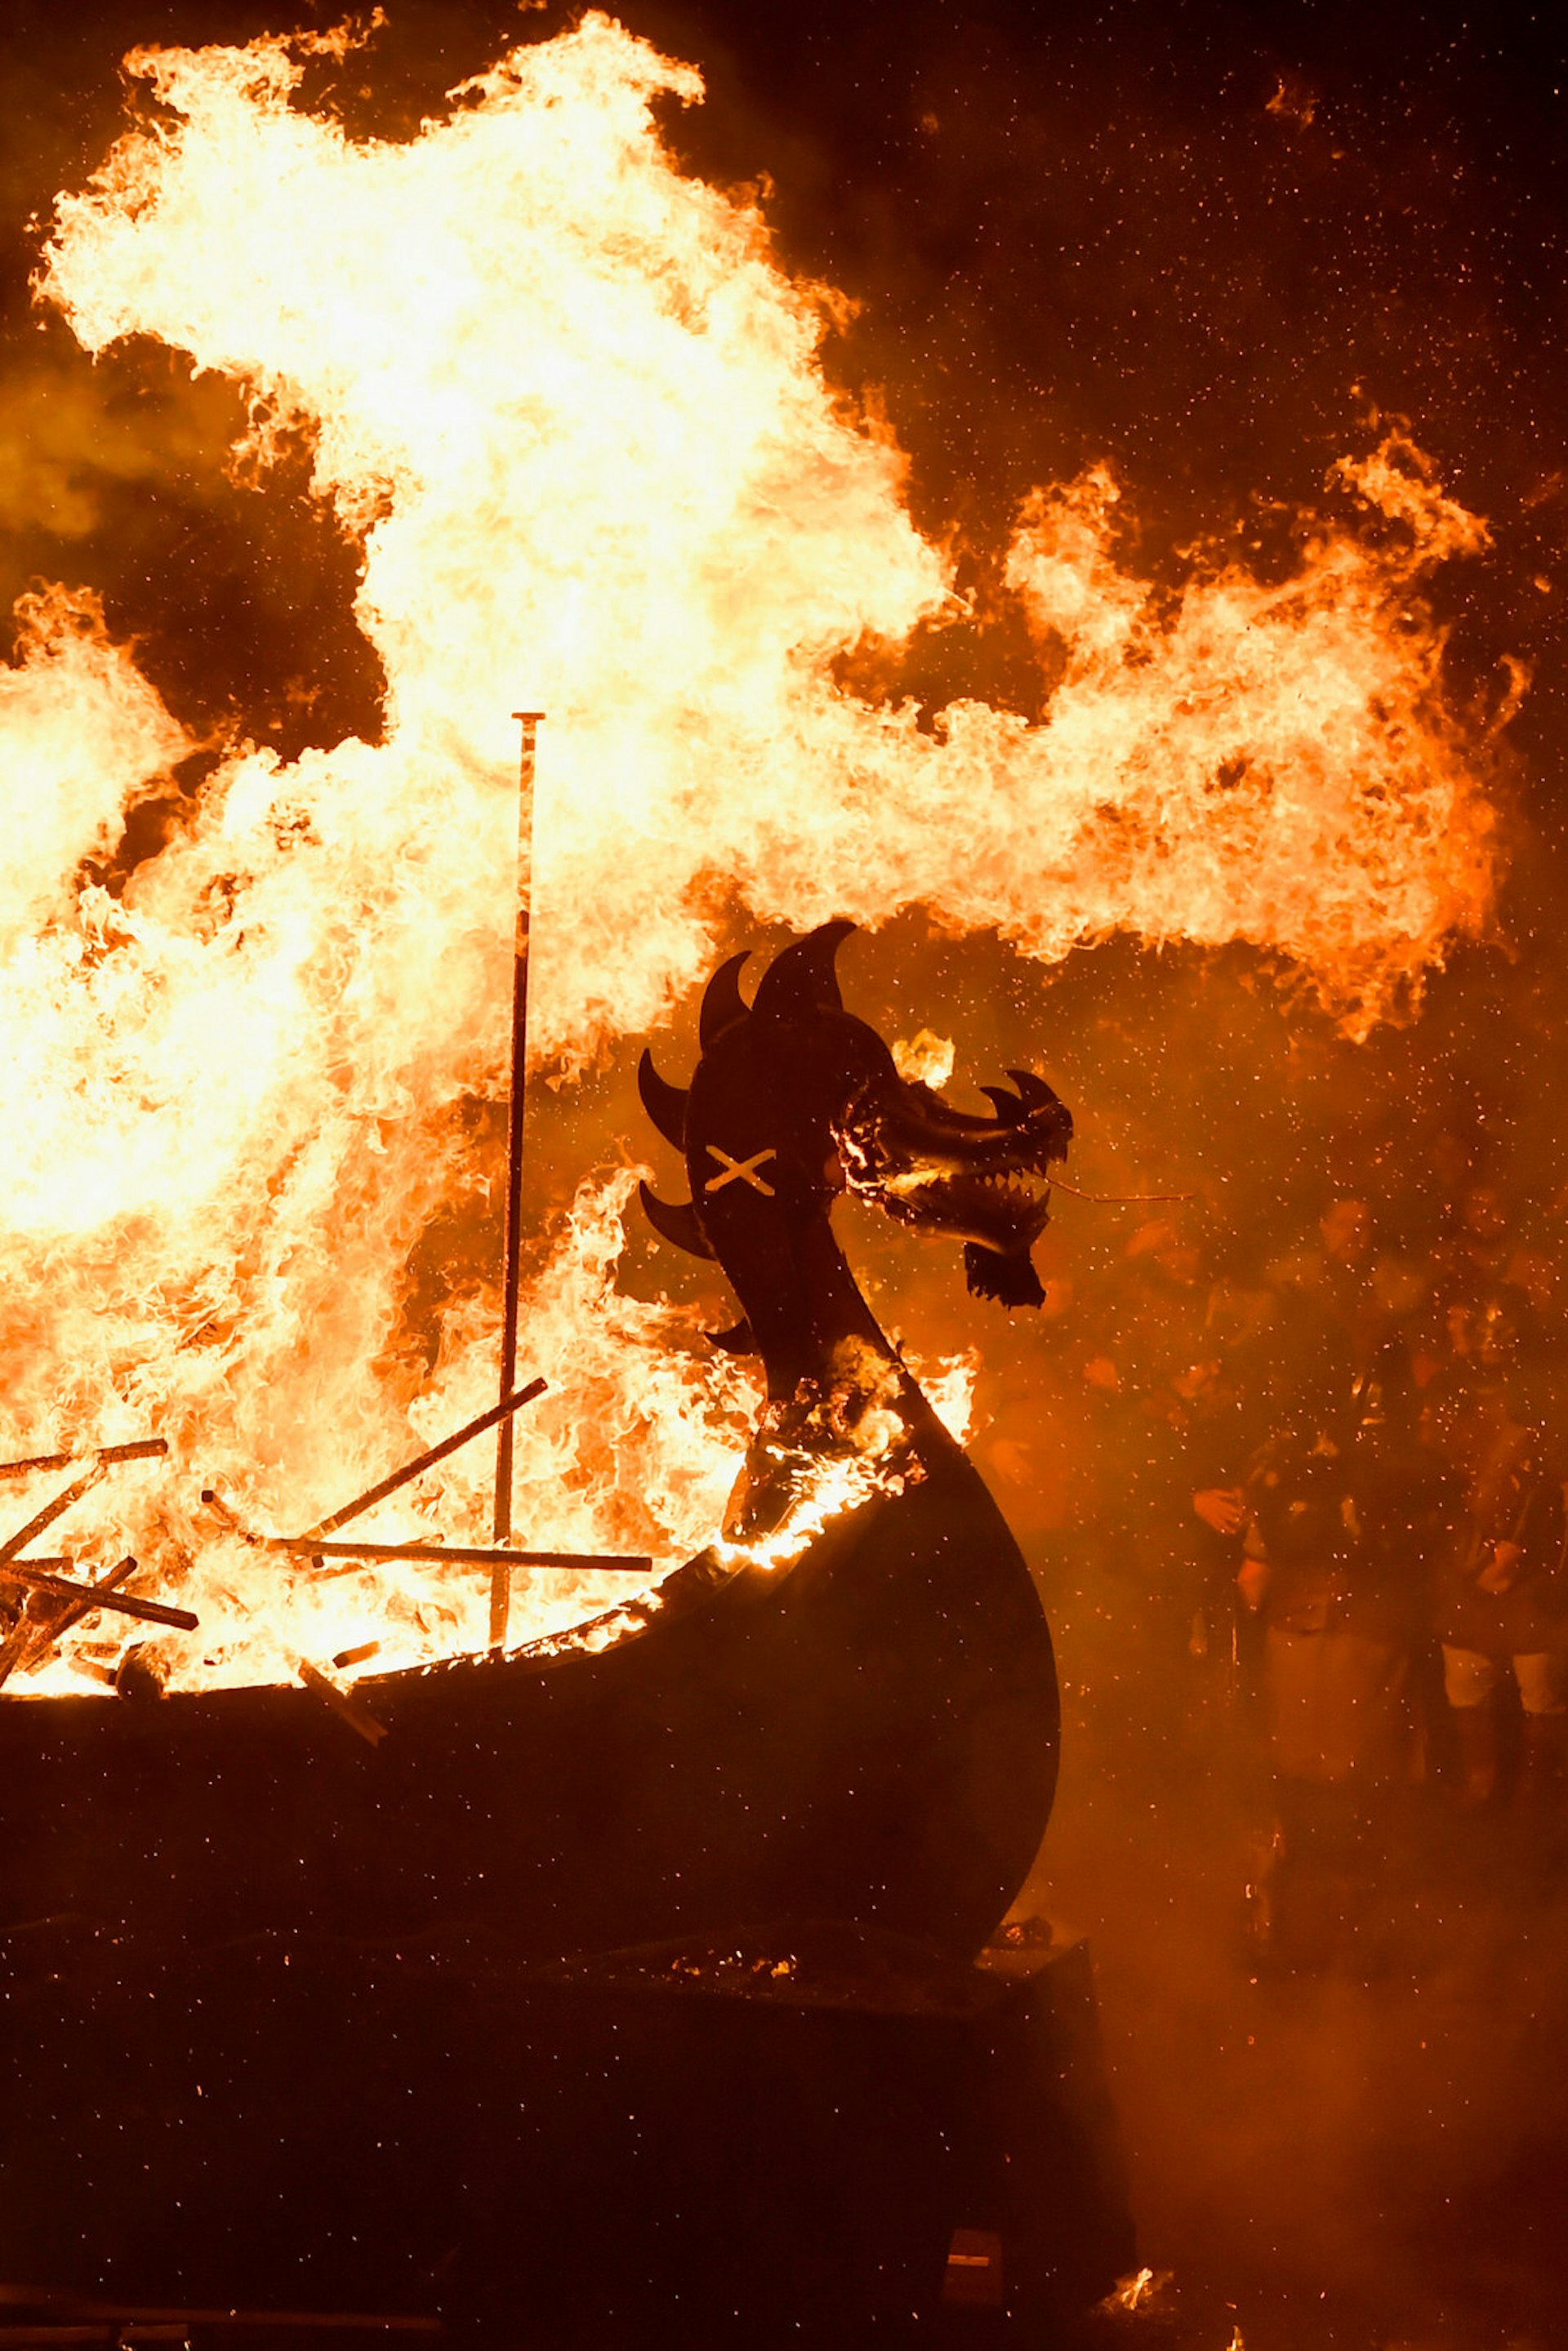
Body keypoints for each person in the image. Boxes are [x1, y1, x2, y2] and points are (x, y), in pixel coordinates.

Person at [1431, 1370, 1568, 1815]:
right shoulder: (1454, 1427)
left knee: (1540, 1693)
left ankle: (1537, 1790)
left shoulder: (1549, 1436)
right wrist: (1481, 1564)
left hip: (1533, 1586)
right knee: (1469, 1686)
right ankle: (1482, 1783)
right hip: (1468, 1584)